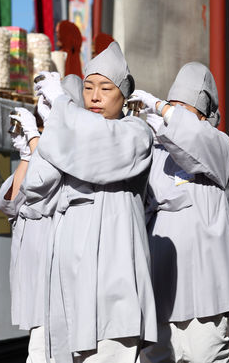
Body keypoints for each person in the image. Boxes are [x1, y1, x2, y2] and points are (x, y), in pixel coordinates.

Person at [29, 42, 157, 363]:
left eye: (105, 88)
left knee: (111, 346)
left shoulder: (136, 133)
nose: (95, 96)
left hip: (113, 265)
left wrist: (62, 108)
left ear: (124, 95)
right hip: (68, 266)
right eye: (88, 88)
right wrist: (51, 126)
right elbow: (36, 186)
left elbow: (100, 144)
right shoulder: (73, 130)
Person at [131, 62, 229, 363]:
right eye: (173, 106)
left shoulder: (219, 144)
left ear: (202, 112)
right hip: (160, 280)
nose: (175, 113)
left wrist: (162, 108)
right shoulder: (157, 149)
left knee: (205, 355)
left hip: (205, 288)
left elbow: (194, 139)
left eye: (184, 107)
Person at [0, 76, 84, 363]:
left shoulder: (75, 147)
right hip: (33, 266)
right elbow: (12, 202)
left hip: (57, 268)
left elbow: (46, 179)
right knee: (37, 348)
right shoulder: (41, 146)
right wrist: (24, 153)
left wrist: (35, 140)